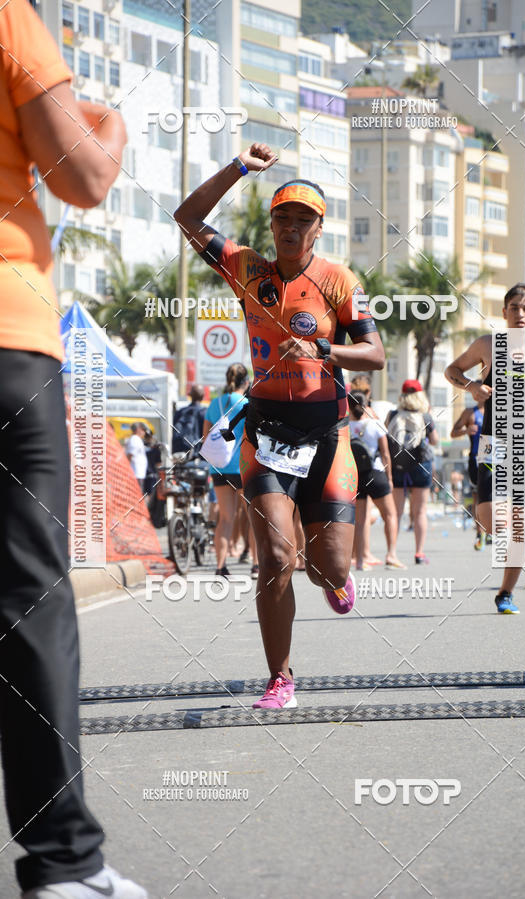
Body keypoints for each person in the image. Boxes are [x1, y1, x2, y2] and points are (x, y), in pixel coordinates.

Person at [0, 2, 146, 896]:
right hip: (8, 336)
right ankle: (64, 865)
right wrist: (115, 124)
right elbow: (84, 178)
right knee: (28, 596)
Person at [174, 145, 384, 709]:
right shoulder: (248, 269)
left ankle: (337, 577)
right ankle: (280, 677)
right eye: (282, 218)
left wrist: (320, 347)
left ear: (318, 229)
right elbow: (187, 219)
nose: (291, 228)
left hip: (326, 436)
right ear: (271, 224)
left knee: (327, 566)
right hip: (265, 435)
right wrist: (239, 168)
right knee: (274, 557)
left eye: (303, 220)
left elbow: (375, 354)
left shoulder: (338, 280)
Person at [445, 283, 525, 614]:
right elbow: (451, 370)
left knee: (521, 524)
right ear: (504, 312)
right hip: (492, 442)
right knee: (489, 522)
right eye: (513, 307)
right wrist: (473, 386)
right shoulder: (488, 344)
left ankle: (505, 593)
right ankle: (511, 560)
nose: (519, 314)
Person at [202, 363, 250, 577]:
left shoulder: (214, 404)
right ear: (246, 382)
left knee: (225, 518)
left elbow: (206, 437)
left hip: (219, 466)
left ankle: (220, 566)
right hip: (241, 466)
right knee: (251, 517)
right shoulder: (247, 404)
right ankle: (257, 565)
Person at [348, 391, 404, 569]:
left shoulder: (344, 426)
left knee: (360, 519)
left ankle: (360, 561)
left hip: (356, 476)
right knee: (390, 514)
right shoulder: (376, 424)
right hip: (375, 473)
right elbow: (386, 454)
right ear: (367, 405)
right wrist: (389, 478)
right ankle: (392, 555)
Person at [385, 380, 439, 565]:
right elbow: (434, 441)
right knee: (420, 512)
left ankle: (392, 552)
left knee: (395, 512)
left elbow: (386, 438)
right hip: (421, 465)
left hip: (398, 464)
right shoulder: (425, 416)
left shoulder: (392, 414)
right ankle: (419, 553)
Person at [451, 402, 486, 549]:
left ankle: (492, 530)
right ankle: (480, 533)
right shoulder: (470, 412)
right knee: (478, 497)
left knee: (498, 497)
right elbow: (453, 433)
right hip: (476, 458)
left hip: (498, 458)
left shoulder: (501, 409)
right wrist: (466, 431)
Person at [172, 382, 206, 454]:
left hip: (180, 455)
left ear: (190, 395)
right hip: (198, 455)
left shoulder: (180, 412)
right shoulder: (205, 413)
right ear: (203, 396)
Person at [124, 422, 148, 494]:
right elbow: (130, 455)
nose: (144, 432)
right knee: (136, 494)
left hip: (138, 473)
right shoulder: (135, 439)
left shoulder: (136, 439)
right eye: (143, 429)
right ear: (138, 429)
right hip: (135, 473)